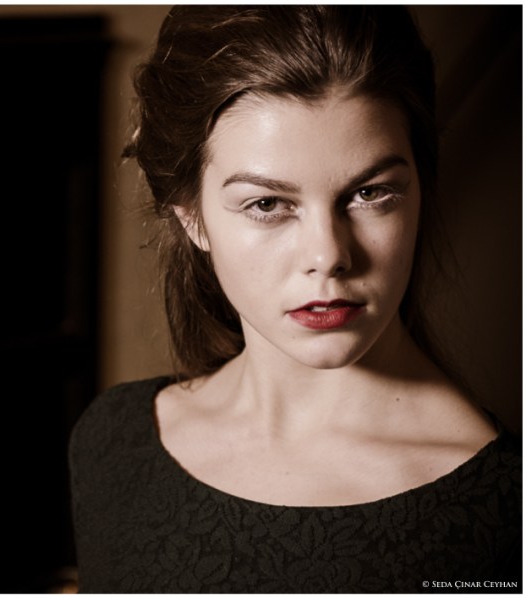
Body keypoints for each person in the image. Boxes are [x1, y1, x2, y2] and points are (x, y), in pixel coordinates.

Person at [69, 6, 521, 593]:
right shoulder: (112, 443)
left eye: (370, 193)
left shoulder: (505, 515)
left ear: (419, 192)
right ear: (191, 217)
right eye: (267, 204)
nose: (329, 254)